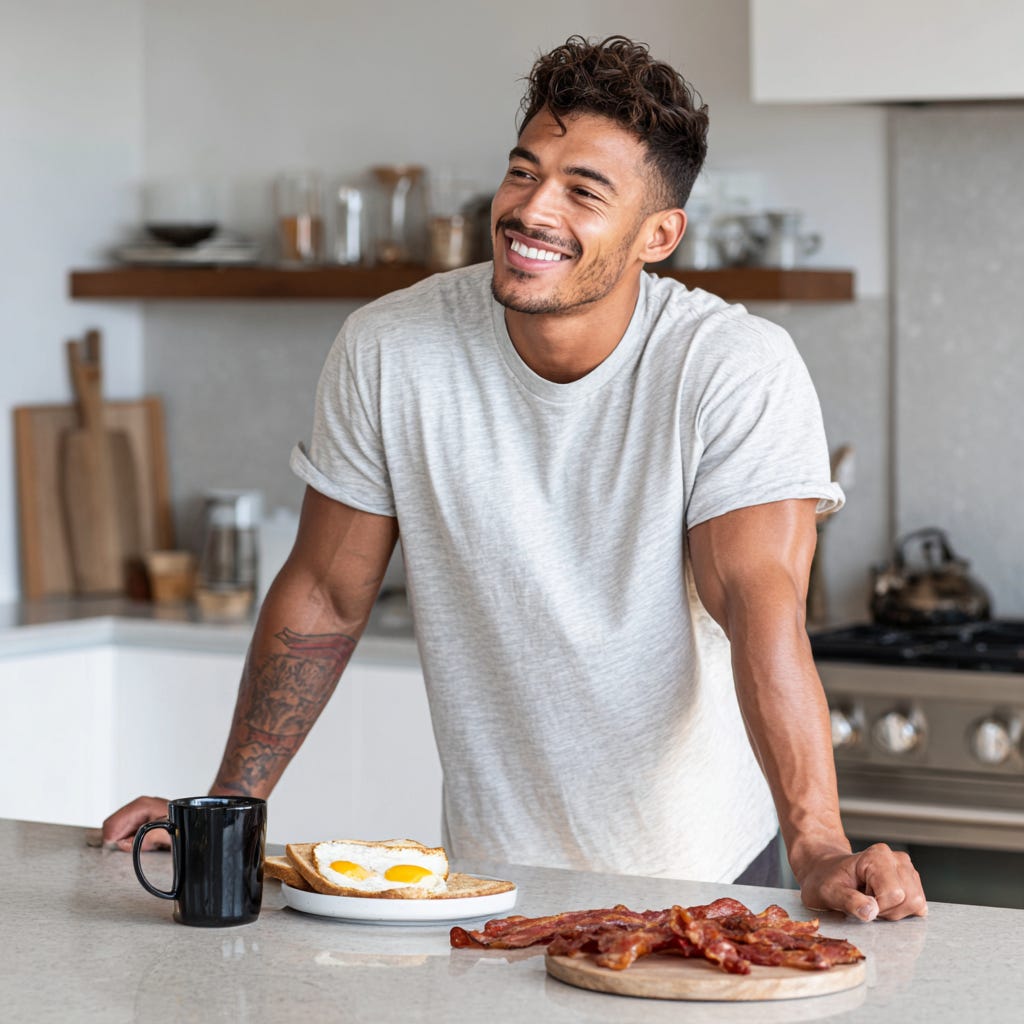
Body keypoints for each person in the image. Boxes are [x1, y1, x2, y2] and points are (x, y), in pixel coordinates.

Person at [105, 35, 926, 922]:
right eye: (523, 172)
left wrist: (817, 842)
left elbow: (758, 600)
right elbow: (325, 595)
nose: (533, 210)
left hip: (708, 880)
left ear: (658, 236)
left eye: (584, 190)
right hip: (487, 885)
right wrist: (229, 808)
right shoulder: (392, 349)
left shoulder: (734, 368)